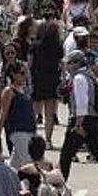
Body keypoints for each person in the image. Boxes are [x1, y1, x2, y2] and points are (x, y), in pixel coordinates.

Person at [58, 50, 98, 187]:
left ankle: (59, 188)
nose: (68, 67)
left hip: (82, 121)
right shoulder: (89, 76)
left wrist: (78, 125)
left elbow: (81, 103)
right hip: (92, 120)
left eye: (70, 63)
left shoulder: (79, 78)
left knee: (66, 155)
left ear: (76, 63)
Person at [29, 17, 64, 149]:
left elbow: (30, 63)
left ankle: (33, 137)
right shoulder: (57, 46)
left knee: (34, 111)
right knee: (49, 113)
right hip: (52, 79)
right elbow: (61, 63)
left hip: (37, 79)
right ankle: (48, 140)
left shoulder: (35, 45)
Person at [0, 61, 36, 169]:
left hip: (28, 129)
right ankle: (30, 184)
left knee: (15, 164)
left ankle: (9, 180)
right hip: (17, 131)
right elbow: (3, 113)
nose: (24, 76)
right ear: (13, 74)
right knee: (28, 162)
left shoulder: (23, 90)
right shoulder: (9, 91)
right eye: (22, 73)